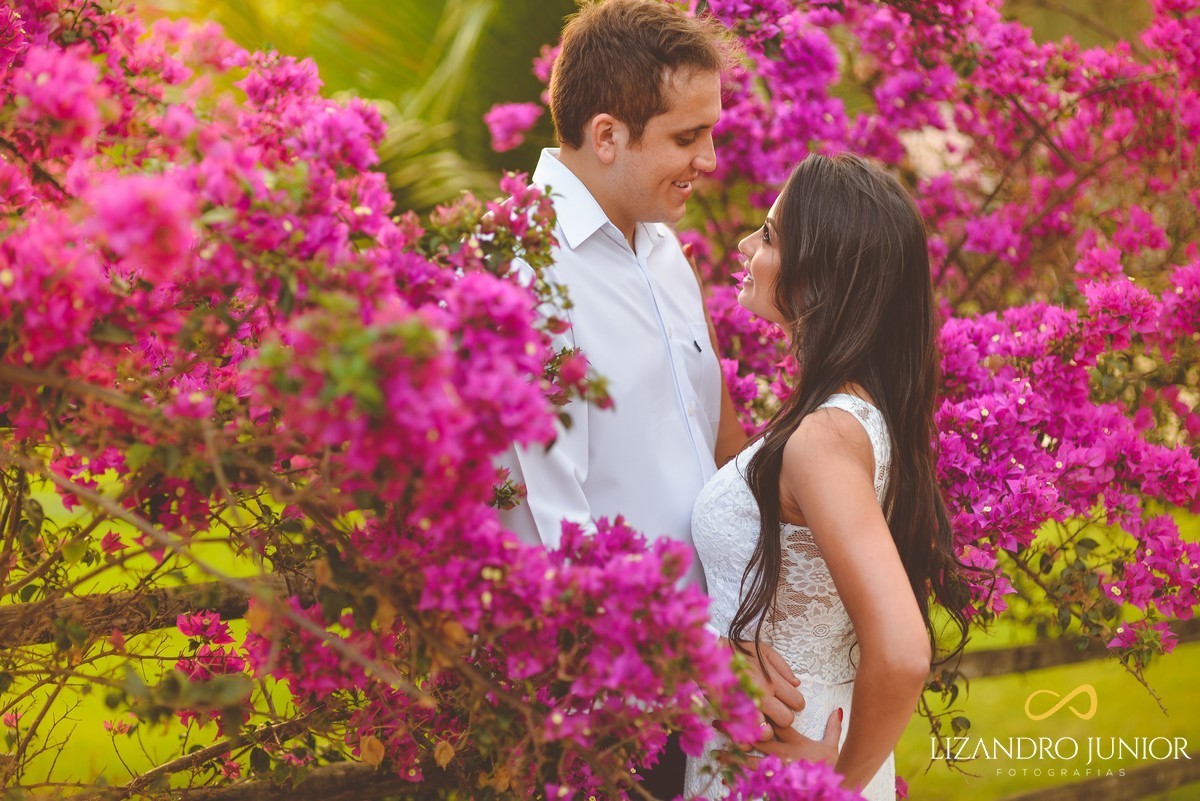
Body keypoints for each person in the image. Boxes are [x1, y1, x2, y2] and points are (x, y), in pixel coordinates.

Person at [495, 0, 803, 795]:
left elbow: (711, 444)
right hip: (609, 706)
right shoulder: (523, 276)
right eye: (686, 136)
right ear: (607, 136)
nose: (709, 157)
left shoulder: (664, 249)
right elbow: (550, 527)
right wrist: (695, 658)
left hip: (711, 669)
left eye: (710, 131)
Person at [684, 153, 974, 800]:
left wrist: (830, 788)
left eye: (768, 234)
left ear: (817, 273)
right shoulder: (851, 417)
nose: (745, 245)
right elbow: (747, 474)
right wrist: (693, 334)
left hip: (792, 762)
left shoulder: (826, 438)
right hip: (794, 737)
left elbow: (901, 651)